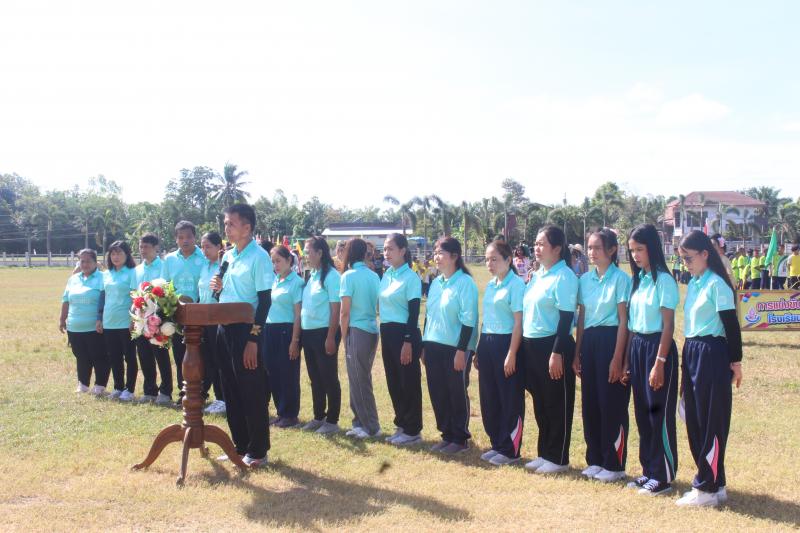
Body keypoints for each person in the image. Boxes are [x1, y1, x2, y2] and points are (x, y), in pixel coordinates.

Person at [674, 230, 744, 507]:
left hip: (712, 353)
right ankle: (717, 483)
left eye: (689, 258)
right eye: (682, 259)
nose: (686, 264)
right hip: (692, 350)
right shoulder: (695, 283)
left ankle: (706, 488)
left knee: (710, 421)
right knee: (694, 419)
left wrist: (735, 362)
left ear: (705, 254)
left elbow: (731, 327)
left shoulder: (717, 285)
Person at [209, 203, 274, 468]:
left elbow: (265, 302)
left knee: (251, 391)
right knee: (230, 390)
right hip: (224, 328)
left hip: (246, 330)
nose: (226, 228)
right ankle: (239, 446)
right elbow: (221, 295)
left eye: (231, 223)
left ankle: (258, 451)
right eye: (225, 223)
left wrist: (253, 340)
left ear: (247, 228)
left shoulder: (259, 257)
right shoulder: (228, 256)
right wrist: (217, 289)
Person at [573, 229, 631, 482]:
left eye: (597, 247)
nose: (592, 252)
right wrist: (577, 353)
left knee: (612, 404)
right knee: (591, 404)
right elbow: (582, 318)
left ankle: (614, 464)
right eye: (589, 247)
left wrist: (618, 358)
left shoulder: (621, 279)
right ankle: (595, 459)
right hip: (590, 342)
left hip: (611, 340)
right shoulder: (585, 280)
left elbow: (623, 320)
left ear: (612, 250)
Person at [626, 224, 679, 496]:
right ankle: (648, 470)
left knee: (659, 414)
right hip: (638, 346)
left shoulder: (664, 280)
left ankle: (663, 476)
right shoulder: (640, 279)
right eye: (632, 250)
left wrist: (659, 362)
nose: (635, 255)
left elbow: (668, 325)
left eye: (640, 249)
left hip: (658, 348)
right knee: (643, 414)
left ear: (652, 249)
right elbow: (633, 324)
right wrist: (628, 361)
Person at [521, 225, 578, 474]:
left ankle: (558, 457)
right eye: (535, 243)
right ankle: (544, 452)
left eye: (542, 244)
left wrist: (556, 352)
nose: (537, 248)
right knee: (541, 402)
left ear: (557, 248)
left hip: (555, 345)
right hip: (532, 345)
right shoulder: (537, 275)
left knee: (557, 403)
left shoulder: (564, 276)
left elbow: (566, 318)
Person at [422, 236, 479, 454]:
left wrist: (461, 350)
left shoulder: (465, 282)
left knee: (456, 391)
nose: (436, 257)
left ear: (454, 256)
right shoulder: (436, 282)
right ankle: (446, 434)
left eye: (441, 253)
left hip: (456, 347)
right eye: (435, 252)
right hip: (433, 344)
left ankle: (460, 438)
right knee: (438, 391)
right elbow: (429, 315)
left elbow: (469, 319)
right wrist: (424, 344)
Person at [476, 240, 525, 465]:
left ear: (508, 259)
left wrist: (512, 353)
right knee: (490, 397)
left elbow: (518, 323)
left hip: (507, 343)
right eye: (487, 259)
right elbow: (487, 319)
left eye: (494, 259)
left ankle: (510, 449)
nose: (490, 264)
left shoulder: (516, 285)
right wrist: (480, 349)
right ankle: (497, 443)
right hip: (488, 343)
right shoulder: (491, 284)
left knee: (509, 398)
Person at [379, 233, 424, 446]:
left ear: (403, 251)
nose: (386, 253)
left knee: (409, 382)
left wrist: (407, 341)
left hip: (405, 334)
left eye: (390, 249)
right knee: (394, 381)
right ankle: (402, 424)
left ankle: (413, 429)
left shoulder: (411, 277)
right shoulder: (387, 274)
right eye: (384, 249)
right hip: (387, 332)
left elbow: (413, 314)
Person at [340, 238, 382, 439]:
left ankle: (370, 426)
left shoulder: (348, 276)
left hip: (357, 330)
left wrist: (343, 337)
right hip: (371, 330)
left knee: (359, 379)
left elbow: (344, 312)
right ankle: (359, 422)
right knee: (358, 378)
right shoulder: (373, 276)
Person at [300, 236, 342, 435]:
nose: (305, 256)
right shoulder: (312, 275)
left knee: (328, 377)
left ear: (319, 253)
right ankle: (319, 416)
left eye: (308, 252)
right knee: (315, 377)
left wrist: (331, 337)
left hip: (325, 332)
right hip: (308, 333)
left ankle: (332, 420)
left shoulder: (332, 276)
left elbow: (336, 309)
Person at [162, 220, 206, 404]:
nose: (185, 240)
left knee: (200, 354)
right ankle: (184, 392)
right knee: (180, 354)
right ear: (176, 239)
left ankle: (201, 392)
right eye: (181, 237)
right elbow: (165, 285)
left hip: (200, 312)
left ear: (195, 237)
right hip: (177, 313)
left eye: (188, 236)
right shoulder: (169, 259)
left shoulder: (203, 256)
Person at [265, 245, 304, 428]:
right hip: (270, 329)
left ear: (289, 260)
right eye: (273, 262)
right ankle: (281, 411)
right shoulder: (274, 280)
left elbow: (298, 314)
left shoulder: (296, 282)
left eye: (278, 261)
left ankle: (290, 414)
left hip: (287, 330)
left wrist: (295, 341)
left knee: (288, 372)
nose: (275, 265)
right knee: (273, 371)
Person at [59, 249, 108, 395]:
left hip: (95, 326)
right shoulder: (73, 279)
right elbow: (66, 300)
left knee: (99, 356)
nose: (85, 264)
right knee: (80, 356)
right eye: (82, 261)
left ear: (95, 262)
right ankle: (83, 384)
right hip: (74, 326)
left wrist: (101, 319)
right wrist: (62, 319)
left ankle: (100, 385)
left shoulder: (103, 277)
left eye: (88, 261)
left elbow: (105, 300)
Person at [133, 233, 172, 404]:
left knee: (160, 355)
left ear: (156, 247)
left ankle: (166, 391)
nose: (143, 250)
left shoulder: (163, 266)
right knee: (144, 354)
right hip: (140, 318)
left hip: (158, 316)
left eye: (146, 247)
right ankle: (150, 391)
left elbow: (167, 291)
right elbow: (133, 293)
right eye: (141, 246)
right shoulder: (137, 270)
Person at [101, 241, 138, 401]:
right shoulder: (106, 274)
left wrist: (133, 319)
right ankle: (118, 387)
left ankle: (129, 389)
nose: (116, 257)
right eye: (113, 253)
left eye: (119, 253)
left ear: (127, 255)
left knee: (129, 357)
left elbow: (135, 298)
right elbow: (103, 296)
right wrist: (99, 318)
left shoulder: (132, 272)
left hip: (126, 322)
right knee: (114, 356)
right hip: (109, 321)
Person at [198, 231, 226, 415]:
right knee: (208, 360)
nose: (204, 250)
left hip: (218, 318)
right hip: (203, 318)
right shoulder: (204, 266)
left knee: (219, 359)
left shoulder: (223, 266)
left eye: (208, 246)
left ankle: (223, 398)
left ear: (218, 247)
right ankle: (216, 397)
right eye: (202, 247)